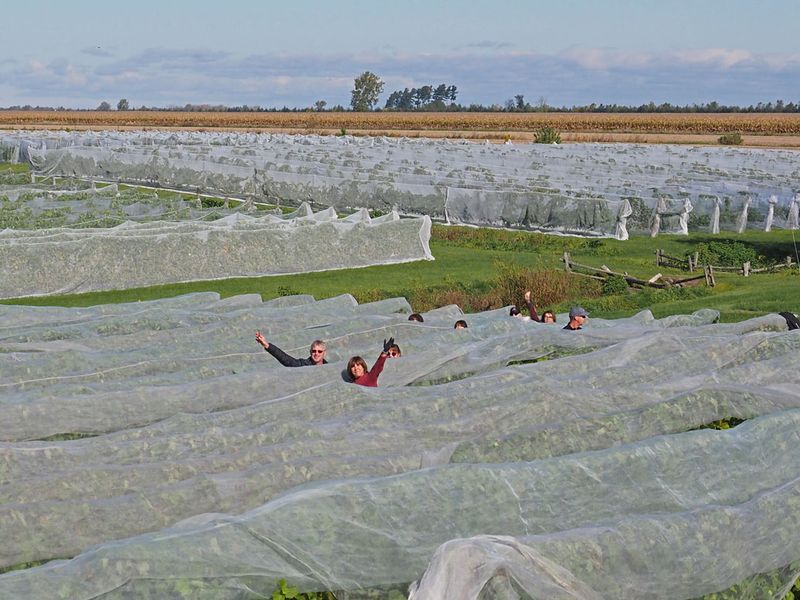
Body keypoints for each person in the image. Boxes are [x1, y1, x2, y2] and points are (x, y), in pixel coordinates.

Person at [255, 331, 327, 367]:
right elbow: (286, 360)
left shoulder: (329, 367)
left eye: (320, 351)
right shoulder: (303, 365)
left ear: (324, 353)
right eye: (314, 351)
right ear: (310, 352)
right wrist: (267, 345)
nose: (316, 353)